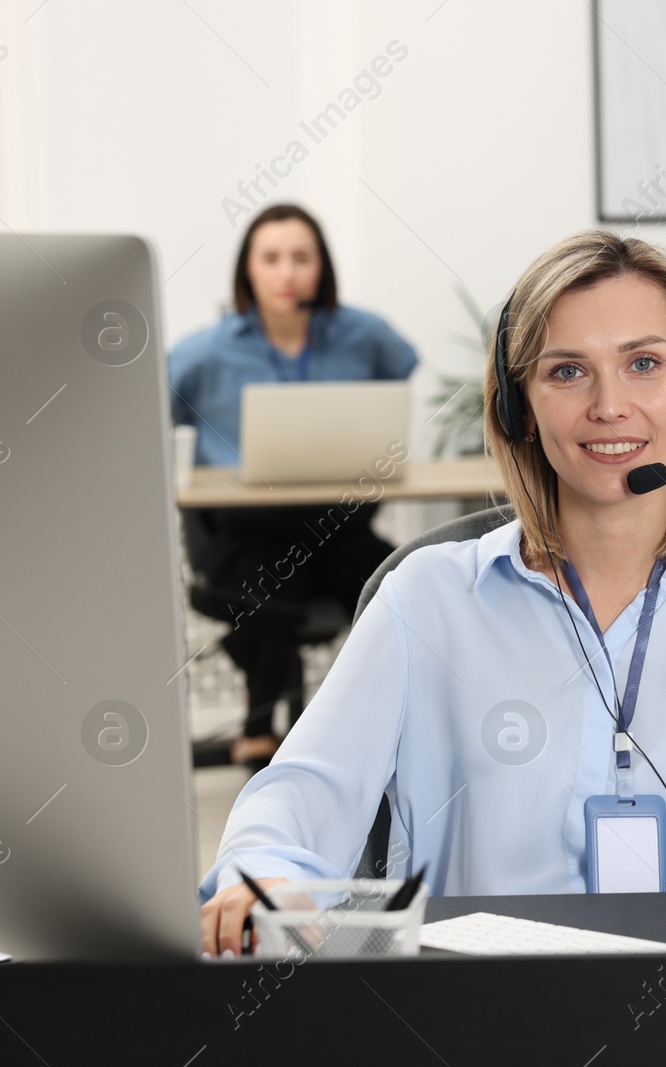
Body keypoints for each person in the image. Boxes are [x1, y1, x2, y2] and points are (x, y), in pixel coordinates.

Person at [198, 230, 666, 957]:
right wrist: (262, 875)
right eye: (568, 371)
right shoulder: (428, 598)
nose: (611, 405)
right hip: (478, 1014)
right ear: (519, 407)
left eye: (644, 363)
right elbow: (296, 796)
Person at [170, 204, 418, 770]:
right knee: (273, 587)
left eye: (301, 258)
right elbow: (149, 405)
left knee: (403, 581)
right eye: (272, 258)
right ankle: (262, 728)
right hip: (242, 530)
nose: (288, 273)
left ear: (322, 268)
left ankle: (389, 723)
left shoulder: (364, 335)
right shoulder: (202, 353)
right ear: (247, 272)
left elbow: (400, 374)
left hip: (336, 522)